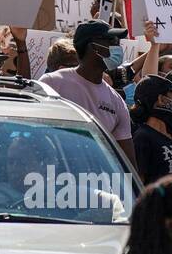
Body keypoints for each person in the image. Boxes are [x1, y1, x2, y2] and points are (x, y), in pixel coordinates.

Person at [39, 21, 136, 167]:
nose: (117, 47)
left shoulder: (116, 101)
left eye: (117, 42)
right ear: (93, 47)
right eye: (111, 41)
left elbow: (128, 165)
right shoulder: (52, 83)